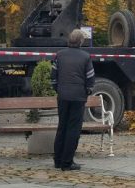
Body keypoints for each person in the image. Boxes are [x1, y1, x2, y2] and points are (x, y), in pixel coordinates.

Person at [51, 29, 95, 171]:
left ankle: (57, 160)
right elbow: (90, 78)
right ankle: (67, 162)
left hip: (63, 96)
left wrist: (58, 89)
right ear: (81, 41)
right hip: (78, 97)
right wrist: (87, 91)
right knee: (73, 130)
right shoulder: (85, 57)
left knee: (62, 127)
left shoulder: (59, 55)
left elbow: (53, 76)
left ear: (69, 40)